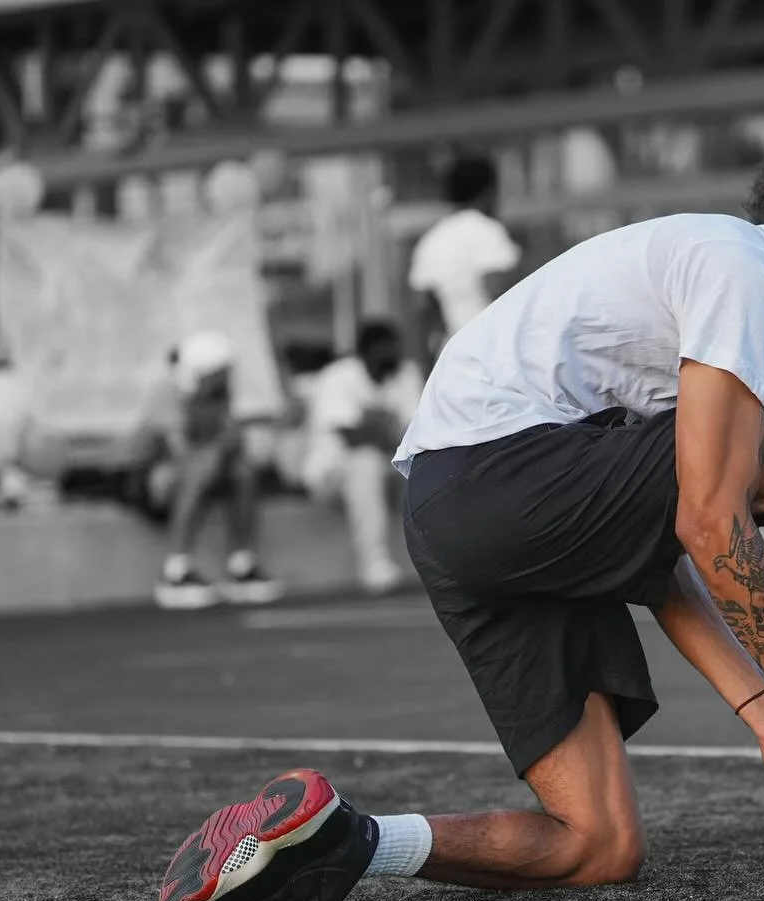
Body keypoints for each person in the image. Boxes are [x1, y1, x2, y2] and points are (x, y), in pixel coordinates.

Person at [157, 75, 764, 901]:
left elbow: (652, 553)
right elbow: (705, 519)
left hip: (463, 516)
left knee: (597, 846)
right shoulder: (741, 269)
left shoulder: (712, 298)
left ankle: (334, 841)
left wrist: (763, 704)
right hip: (497, 475)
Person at [145, 330, 283, 610]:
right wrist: (222, 446)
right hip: (148, 479)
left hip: (203, 471)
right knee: (200, 470)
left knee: (242, 472)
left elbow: (228, 445)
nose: (227, 377)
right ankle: (176, 571)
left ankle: (241, 565)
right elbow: (182, 455)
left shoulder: (220, 397)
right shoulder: (167, 391)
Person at [301, 321, 424, 594]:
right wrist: (386, 434)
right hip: (329, 473)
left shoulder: (406, 373)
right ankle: (374, 564)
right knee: (365, 462)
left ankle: (439, 562)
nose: (391, 355)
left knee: (429, 467)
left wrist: (378, 432)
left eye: (394, 349)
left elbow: (417, 432)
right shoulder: (337, 376)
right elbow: (351, 437)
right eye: (384, 350)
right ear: (365, 352)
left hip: (387, 465)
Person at [406, 155, 522, 359]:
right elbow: (498, 289)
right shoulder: (488, 231)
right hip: (491, 351)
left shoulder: (430, 241)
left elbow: (424, 311)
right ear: (489, 191)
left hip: (451, 355)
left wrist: (425, 369)